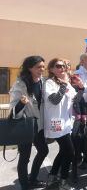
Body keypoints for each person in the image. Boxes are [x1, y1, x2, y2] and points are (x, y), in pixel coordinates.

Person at [9, 56, 49, 190]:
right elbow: (14, 110)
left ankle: (33, 179)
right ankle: (25, 185)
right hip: (25, 125)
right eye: (38, 67)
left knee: (43, 150)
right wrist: (21, 103)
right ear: (29, 68)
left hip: (39, 124)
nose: (42, 69)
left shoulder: (43, 82)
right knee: (25, 157)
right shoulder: (20, 84)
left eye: (43, 66)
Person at [44, 58, 84, 190]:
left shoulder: (65, 83)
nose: (62, 68)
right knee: (70, 152)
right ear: (51, 69)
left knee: (63, 151)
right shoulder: (49, 83)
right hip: (56, 123)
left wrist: (81, 89)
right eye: (58, 66)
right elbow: (54, 100)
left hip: (66, 123)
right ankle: (63, 181)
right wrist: (64, 84)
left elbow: (75, 99)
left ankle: (52, 176)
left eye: (63, 66)